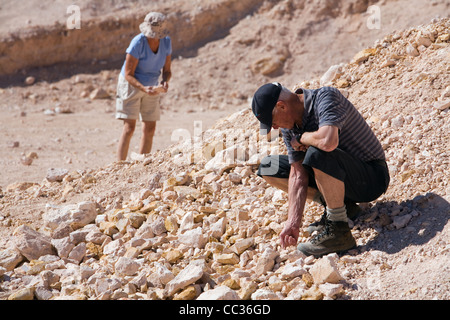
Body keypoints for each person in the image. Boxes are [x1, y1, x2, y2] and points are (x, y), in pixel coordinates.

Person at [252, 82, 390, 257]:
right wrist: (293, 222)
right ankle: (344, 207)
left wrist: (302, 138)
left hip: (372, 178)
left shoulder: (326, 97)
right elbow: (297, 173)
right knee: (269, 167)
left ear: (281, 106)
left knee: (318, 152)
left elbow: (328, 141)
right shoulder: (290, 127)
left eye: (272, 122)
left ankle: (338, 231)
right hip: (343, 177)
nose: (275, 128)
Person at [116, 12, 172, 161]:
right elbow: (128, 74)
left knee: (150, 128)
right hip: (131, 84)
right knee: (129, 128)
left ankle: (142, 163)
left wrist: (165, 81)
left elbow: (167, 71)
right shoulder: (137, 43)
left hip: (152, 85)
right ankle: (119, 165)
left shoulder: (166, 42)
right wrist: (143, 88)